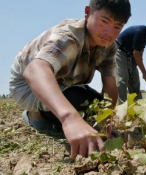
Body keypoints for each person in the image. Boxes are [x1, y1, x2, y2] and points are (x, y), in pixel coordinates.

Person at [9, 0, 131, 159]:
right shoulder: (70, 36)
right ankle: (35, 116)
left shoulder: (109, 47)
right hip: (28, 85)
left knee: (95, 105)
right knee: (75, 104)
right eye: (104, 21)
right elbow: (34, 70)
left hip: (63, 83)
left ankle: (59, 113)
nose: (109, 31)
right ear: (87, 12)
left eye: (117, 26)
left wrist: (106, 122)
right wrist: (69, 118)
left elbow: (110, 86)